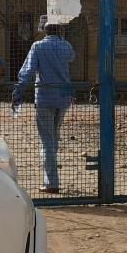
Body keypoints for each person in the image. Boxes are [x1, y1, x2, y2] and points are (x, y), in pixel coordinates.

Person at [12, 21, 75, 193]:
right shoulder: (66, 45)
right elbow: (71, 58)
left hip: (45, 96)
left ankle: (51, 182)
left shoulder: (38, 46)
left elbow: (28, 70)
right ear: (59, 30)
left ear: (44, 31)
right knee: (54, 136)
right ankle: (52, 172)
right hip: (63, 97)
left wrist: (18, 91)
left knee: (47, 140)